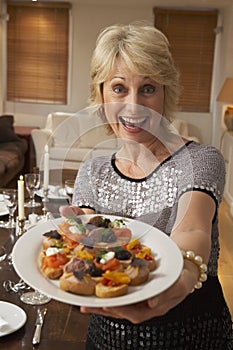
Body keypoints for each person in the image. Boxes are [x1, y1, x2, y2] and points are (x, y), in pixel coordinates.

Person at [60, 24, 233, 349]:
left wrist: (179, 280)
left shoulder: (200, 159)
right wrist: (76, 235)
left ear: (166, 92)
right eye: (119, 88)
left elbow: (192, 230)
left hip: (192, 331)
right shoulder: (93, 170)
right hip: (107, 337)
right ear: (100, 95)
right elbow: (86, 231)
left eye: (148, 88)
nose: (134, 104)